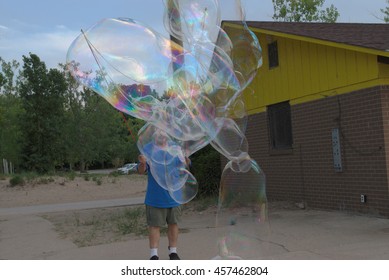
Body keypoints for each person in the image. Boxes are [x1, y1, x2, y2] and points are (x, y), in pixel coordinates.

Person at [137, 134, 189, 260]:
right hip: (155, 196)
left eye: (164, 130)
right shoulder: (148, 149)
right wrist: (142, 163)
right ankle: (154, 255)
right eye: (159, 130)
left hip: (174, 195)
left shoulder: (175, 148)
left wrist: (186, 159)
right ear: (154, 133)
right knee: (154, 226)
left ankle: (173, 251)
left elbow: (184, 166)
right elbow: (140, 171)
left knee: (173, 223)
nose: (162, 133)